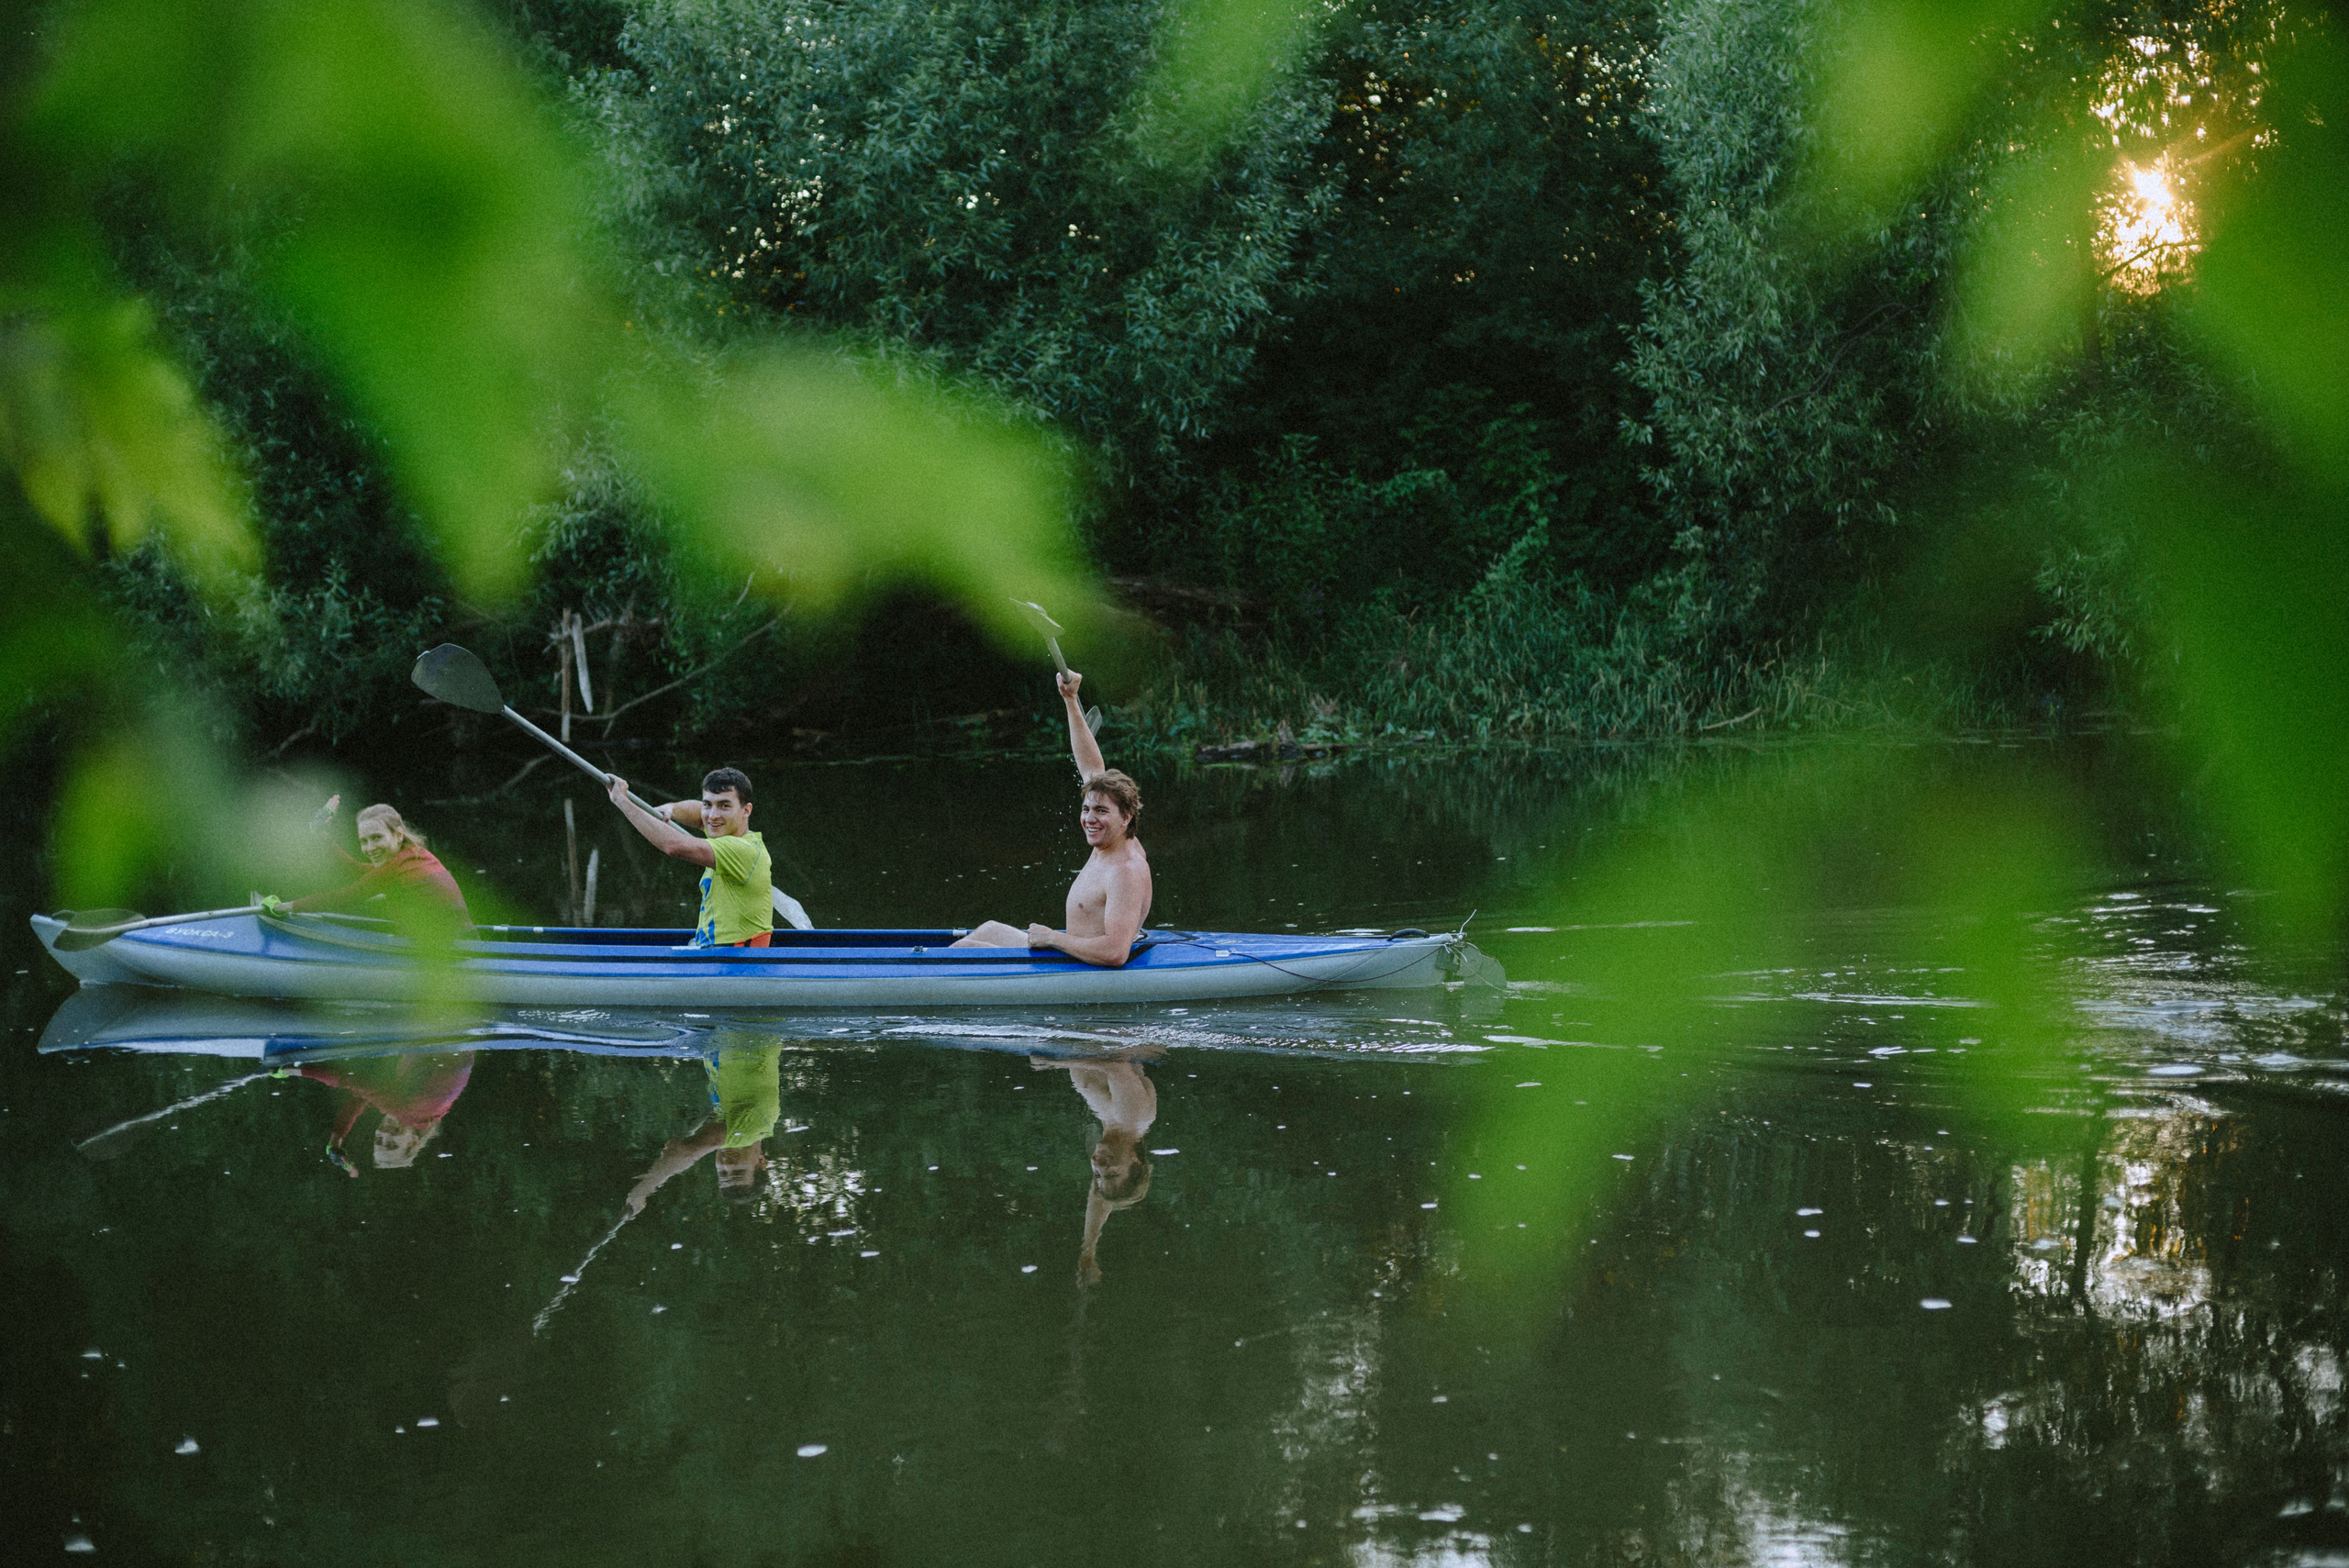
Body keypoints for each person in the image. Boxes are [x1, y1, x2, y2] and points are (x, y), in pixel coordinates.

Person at [953, 670, 1152, 966]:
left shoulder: (1126, 870)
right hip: (1069, 956)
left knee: (967, 949)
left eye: (1100, 811)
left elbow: (1115, 953)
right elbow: (1091, 767)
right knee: (989, 929)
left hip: (1080, 967)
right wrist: (1070, 699)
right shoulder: (1113, 841)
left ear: (1126, 817)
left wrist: (1052, 937)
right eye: (1086, 809)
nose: (1090, 819)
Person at [605, 767, 773, 948]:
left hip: (734, 963)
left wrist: (622, 801)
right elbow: (698, 813)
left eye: (725, 806)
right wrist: (672, 809)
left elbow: (674, 846)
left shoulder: (741, 850)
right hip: (715, 952)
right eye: (708, 804)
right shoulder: (726, 832)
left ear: (746, 810)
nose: (713, 816)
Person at [1031, 1051, 1158, 1283]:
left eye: (1097, 1174)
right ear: (1135, 1161)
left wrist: (1088, 1250)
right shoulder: (1133, 1117)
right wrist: (1056, 1061)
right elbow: (1116, 1066)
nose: (1098, 1165)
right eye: (1111, 1173)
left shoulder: (1113, 1125)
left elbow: (1100, 1197)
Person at [626, 1031, 784, 1209]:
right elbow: (688, 1151)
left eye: (723, 1173)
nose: (727, 1164)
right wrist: (645, 1188)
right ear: (761, 1162)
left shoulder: (724, 1114)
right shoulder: (760, 1125)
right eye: (738, 1171)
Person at [266, 796, 470, 925]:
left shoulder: (397, 866)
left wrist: (283, 908)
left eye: (377, 838)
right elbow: (356, 870)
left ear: (398, 835)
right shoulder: (414, 854)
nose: (370, 848)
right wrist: (320, 836)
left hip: (453, 955)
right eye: (364, 841)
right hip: (463, 945)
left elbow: (345, 897)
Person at [283, 1049, 476, 1175]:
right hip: (442, 1033)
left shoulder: (427, 1118)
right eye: (392, 1144)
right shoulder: (410, 1113)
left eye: (379, 1141)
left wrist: (337, 1139)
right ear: (414, 1142)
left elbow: (361, 1097)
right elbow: (348, 1080)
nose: (384, 1134)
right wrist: (292, 1070)